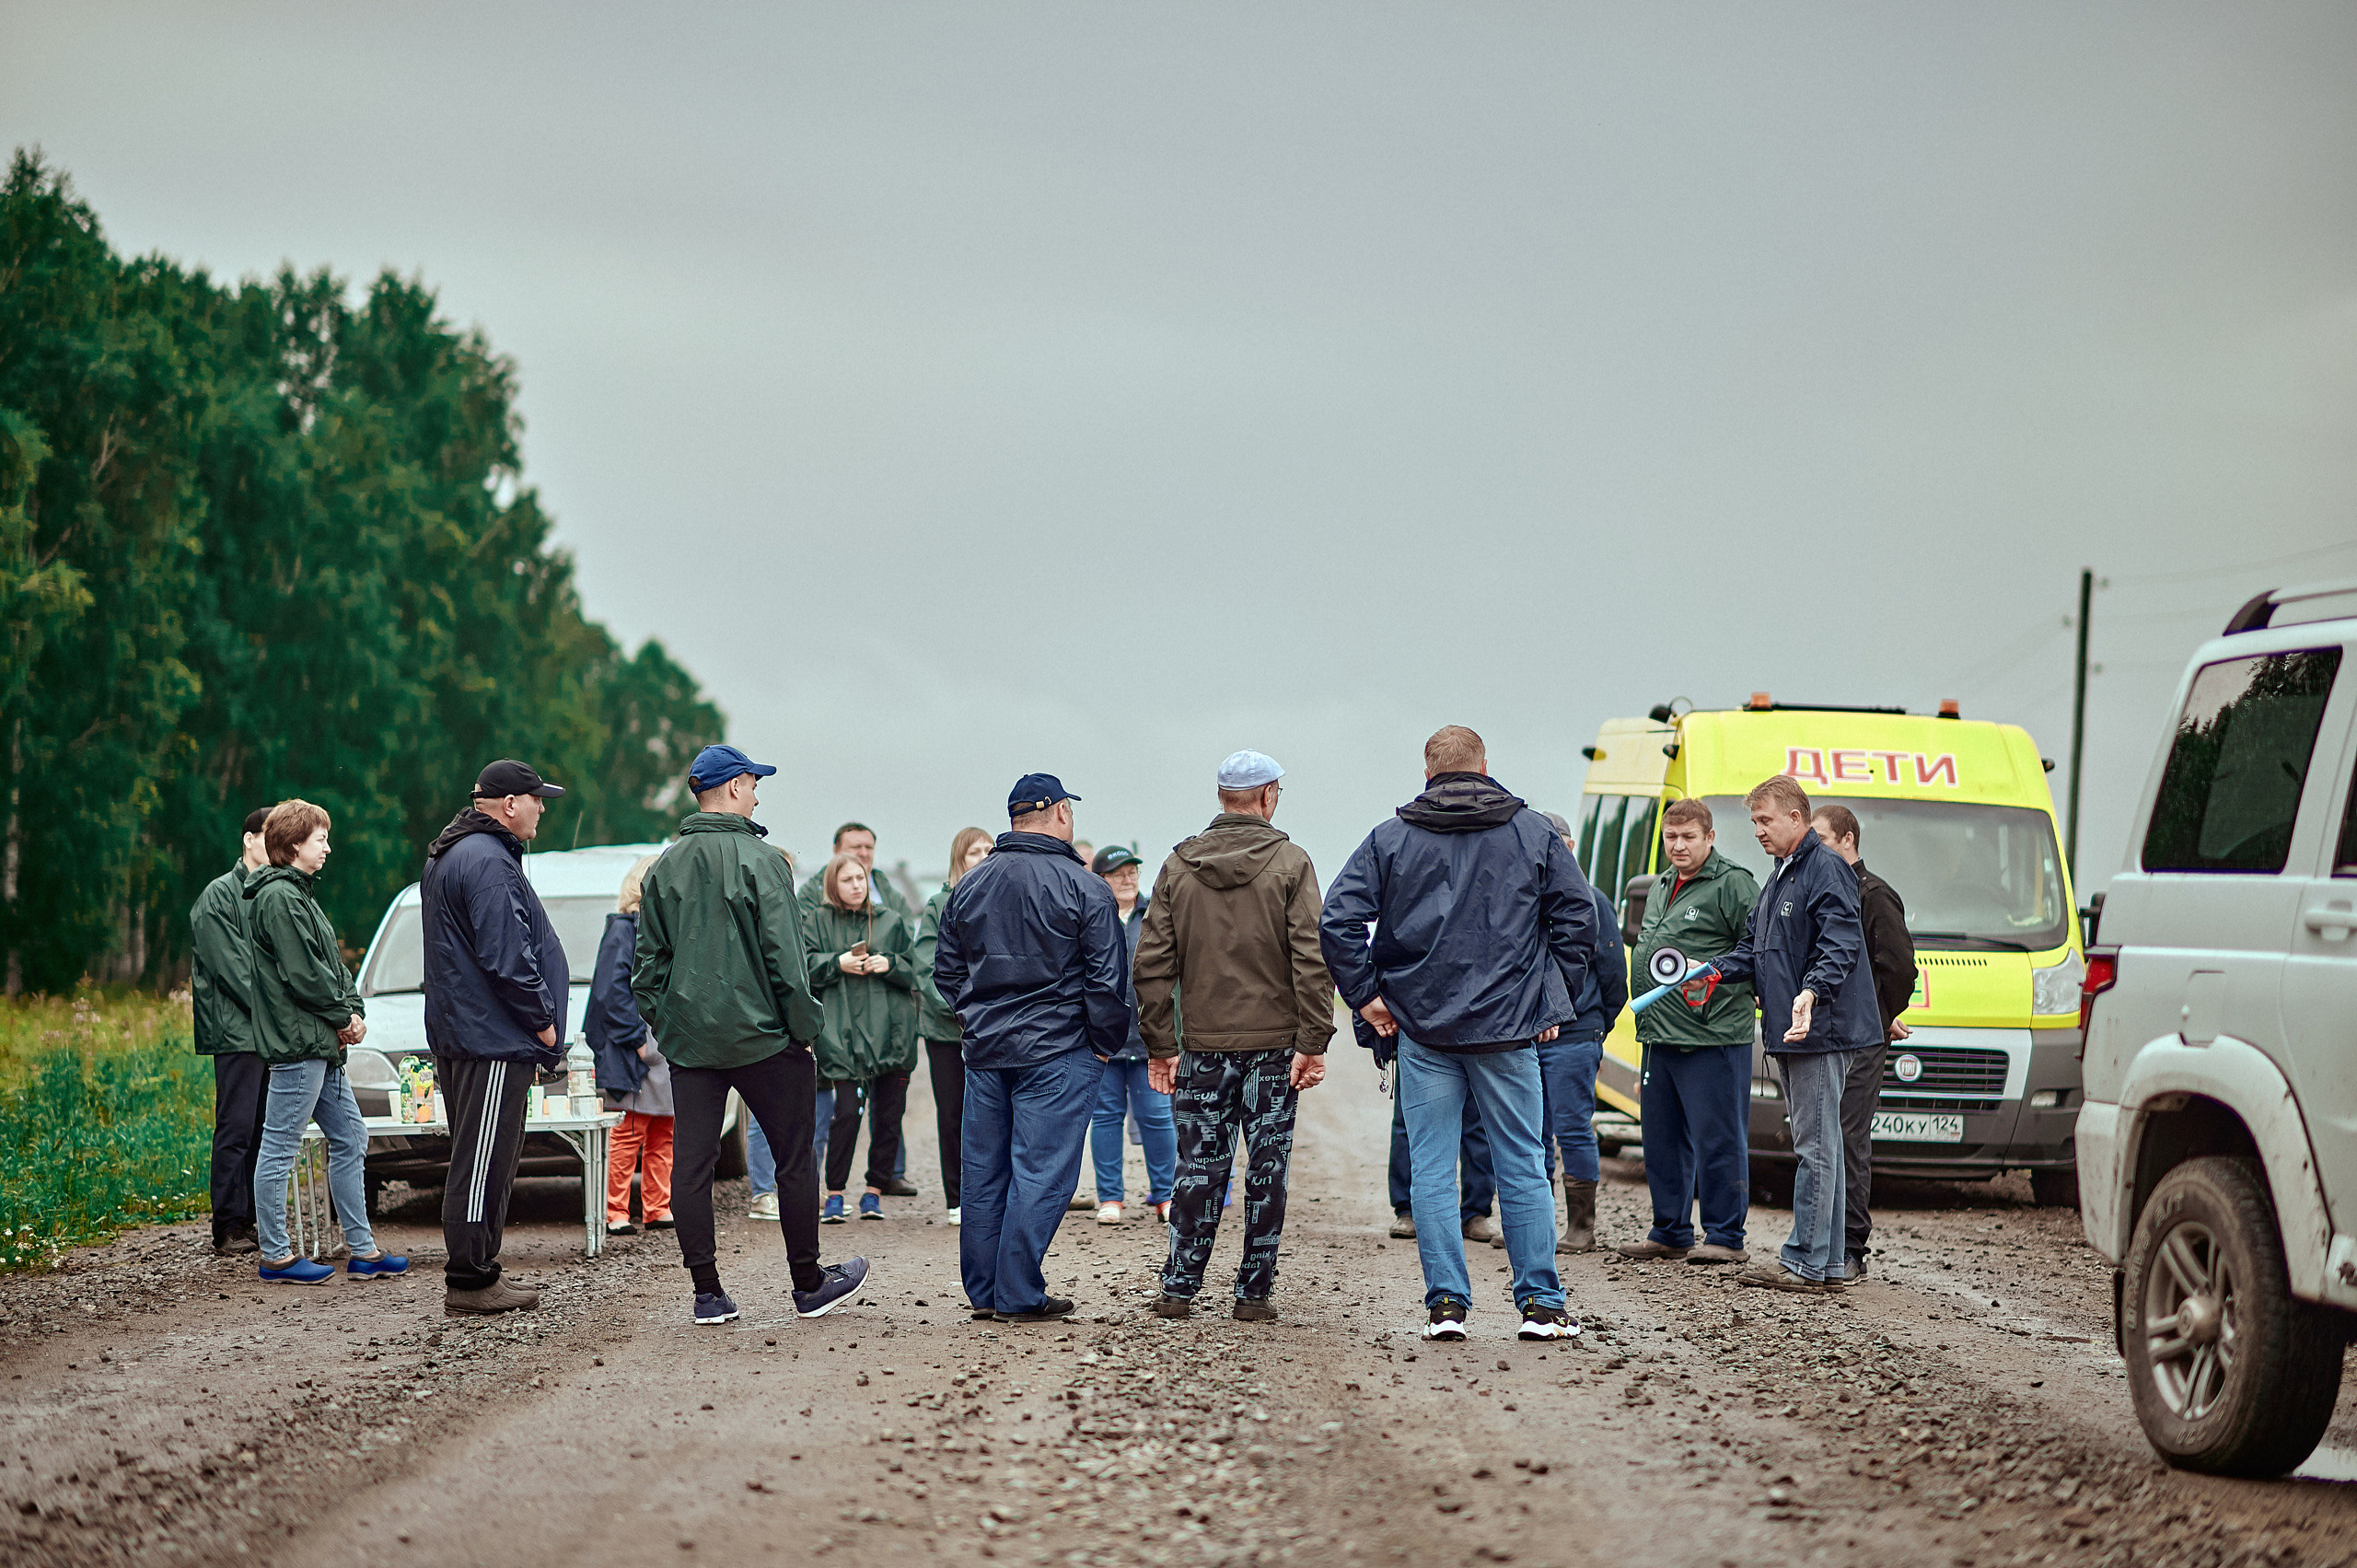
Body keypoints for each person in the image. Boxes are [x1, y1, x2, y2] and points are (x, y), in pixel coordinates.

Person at [1318, 726, 1595, 1342]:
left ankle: (1446, 1305)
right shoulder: (1533, 831)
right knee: (1523, 1165)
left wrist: (1369, 999)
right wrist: (1553, 996)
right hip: (1507, 1030)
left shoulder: (1391, 836)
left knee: (1432, 1170)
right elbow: (1579, 916)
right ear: (1485, 766)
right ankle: (1542, 1308)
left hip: (1424, 1030)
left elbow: (1337, 920)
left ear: (1428, 773)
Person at [634, 745, 870, 1325]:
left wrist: (671, 1025)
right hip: (766, 1039)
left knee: (693, 1163)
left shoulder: (664, 865)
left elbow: (645, 969)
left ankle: (708, 1294)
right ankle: (808, 1284)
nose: (759, 792)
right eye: (753, 782)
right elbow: (785, 962)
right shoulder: (764, 861)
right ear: (734, 788)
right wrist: (804, 1029)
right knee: (794, 1159)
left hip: (693, 1044)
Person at [1136, 750, 1333, 1321]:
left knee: (1198, 1168)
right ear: (1268, 795)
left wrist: (1160, 1045)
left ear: (1221, 796)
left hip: (1201, 1048)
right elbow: (1310, 958)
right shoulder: (1292, 863)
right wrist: (1313, 1039)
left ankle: (1178, 1287)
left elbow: (1151, 964)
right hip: (1274, 1049)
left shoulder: (1178, 865)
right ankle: (1253, 1294)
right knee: (1267, 1170)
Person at [934, 773, 1131, 1324]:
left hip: (990, 1047)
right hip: (1060, 1048)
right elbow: (1107, 980)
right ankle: (1017, 1293)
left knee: (986, 1170)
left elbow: (947, 971)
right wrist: (1101, 1045)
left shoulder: (971, 884)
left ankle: (987, 1292)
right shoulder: (1085, 886)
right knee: (1042, 1172)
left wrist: (974, 1016)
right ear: (1061, 814)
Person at [1712, 776, 1878, 1294]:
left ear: (1796, 818)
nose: (1758, 831)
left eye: (1765, 820)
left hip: (1820, 1031)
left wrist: (1812, 991)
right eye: (1754, 822)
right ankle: (1824, 1264)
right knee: (1820, 1142)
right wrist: (1712, 970)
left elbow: (1841, 941)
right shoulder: (1782, 873)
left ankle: (1805, 1260)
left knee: (1817, 1146)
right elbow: (1758, 948)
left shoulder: (1823, 868)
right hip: (1794, 1029)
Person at [420, 760, 571, 1317]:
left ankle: (478, 1270)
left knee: (477, 1156)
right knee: (483, 1161)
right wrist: (543, 1020)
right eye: (537, 798)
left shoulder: (457, 852)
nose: (543, 808)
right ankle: (471, 1278)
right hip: (489, 1039)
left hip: (468, 1033)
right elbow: (507, 956)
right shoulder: (486, 860)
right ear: (510, 804)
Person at [243, 799, 407, 1284]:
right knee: (279, 1146)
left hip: (322, 1044)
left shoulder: (299, 894)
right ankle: (275, 1255)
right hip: (300, 1045)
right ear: (295, 844)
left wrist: (353, 1012)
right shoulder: (279, 898)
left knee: (352, 1137)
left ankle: (362, 1251)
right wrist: (343, 1016)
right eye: (321, 839)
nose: (328, 847)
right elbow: (303, 975)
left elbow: (332, 969)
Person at [1614, 798, 1761, 1267]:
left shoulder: (1734, 884)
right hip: (1659, 1033)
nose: (1678, 846)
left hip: (1712, 1035)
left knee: (1718, 1137)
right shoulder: (1660, 884)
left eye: (1688, 837)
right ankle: (1670, 1231)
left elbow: (1759, 950)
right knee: (1661, 1137)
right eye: (1670, 838)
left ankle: (1725, 1236)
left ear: (1710, 837)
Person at [1810, 803, 1918, 1283]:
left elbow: (1900, 968)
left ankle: (1851, 1248)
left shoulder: (1873, 895)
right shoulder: (1822, 886)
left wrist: (1881, 1017)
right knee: (1822, 1136)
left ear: (1848, 840)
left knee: (1848, 1137)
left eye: (1823, 839)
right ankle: (1824, 1245)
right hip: (1828, 1035)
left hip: (1862, 1040)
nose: (1815, 848)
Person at [801, 822, 915, 1194]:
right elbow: (801, 964)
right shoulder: (814, 914)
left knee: (888, 1114)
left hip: (886, 1031)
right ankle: (831, 1190)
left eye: (861, 877)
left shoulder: (891, 912)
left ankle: (878, 1187)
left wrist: (890, 964)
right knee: (843, 1114)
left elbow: (916, 966)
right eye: (848, 877)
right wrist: (837, 963)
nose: (857, 881)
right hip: (839, 1033)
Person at [1535, 811, 1628, 1253]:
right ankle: (1533, 1224)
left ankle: (1581, 1228)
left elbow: (1614, 978)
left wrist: (1593, 1025)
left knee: (1572, 1129)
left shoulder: (1592, 901)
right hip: (1528, 1038)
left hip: (1575, 1036)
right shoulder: (1524, 900)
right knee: (1531, 1132)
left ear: (1570, 847)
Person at [192, 806, 273, 1256]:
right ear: (249, 839)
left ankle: (250, 1220)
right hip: (237, 1032)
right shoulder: (218, 896)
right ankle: (226, 1227)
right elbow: (236, 973)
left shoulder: (272, 891)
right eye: (270, 834)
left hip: (267, 1033)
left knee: (262, 1129)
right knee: (236, 1127)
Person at [1088, 844, 1176, 1225]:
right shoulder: (1092, 914)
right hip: (1104, 1039)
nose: (1128, 879)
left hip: (1148, 1037)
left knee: (1157, 1117)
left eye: (1132, 873)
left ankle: (1165, 1195)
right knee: (1106, 1118)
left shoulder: (1155, 914)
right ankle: (1110, 1197)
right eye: (1118, 873)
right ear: (1102, 880)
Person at [591, 854, 673, 1237]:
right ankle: (615, 1212)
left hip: (666, 1045)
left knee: (664, 1131)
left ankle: (658, 1207)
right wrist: (637, 1041)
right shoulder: (623, 930)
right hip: (636, 1048)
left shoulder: (671, 929)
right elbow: (610, 993)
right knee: (628, 1133)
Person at [914, 828, 992, 1225]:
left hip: (996, 1030)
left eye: (987, 850)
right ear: (958, 859)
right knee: (954, 1115)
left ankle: (993, 1196)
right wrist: (965, 1008)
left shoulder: (1001, 897)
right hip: (949, 1030)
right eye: (973, 852)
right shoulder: (939, 903)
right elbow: (927, 967)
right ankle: (957, 1198)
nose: (981, 856)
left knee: (995, 1115)